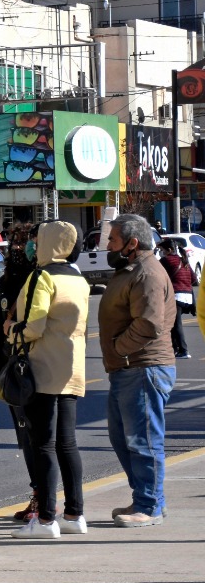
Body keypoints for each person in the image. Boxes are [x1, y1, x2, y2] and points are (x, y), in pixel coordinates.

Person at [9, 221, 89, 538]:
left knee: (43, 444)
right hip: (73, 367)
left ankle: (44, 520)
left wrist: (13, 330)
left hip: (43, 369)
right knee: (67, 443)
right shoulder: (79, 279)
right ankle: (74, 514)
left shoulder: (41, 277)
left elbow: (33, 325)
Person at [99, 213, 176, 528]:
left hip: (142, 368)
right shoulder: (130, 269)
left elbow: (148, 323)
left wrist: (118, 348)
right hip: (127, 370)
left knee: (143, 440)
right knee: (123, 438)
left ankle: (150, 505)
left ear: (132, 243)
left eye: (113, 240)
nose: (108, 245)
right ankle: (148, 498)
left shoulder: (146, 273)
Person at [0, 222, 38, 519]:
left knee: (45, 438)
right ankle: (38, 494)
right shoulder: (6, 283)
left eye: (26, 244)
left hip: (42, 366)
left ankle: (53, 501)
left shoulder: (43, 279)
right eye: (15, 244)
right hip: (13, 371)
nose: (19, 249)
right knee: (26, 437)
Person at [158, 239, 196, 359]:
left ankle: (184, 350)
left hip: (175, 296)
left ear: (169, 250)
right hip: (187, 297)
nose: (161, 252)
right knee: (172, 323)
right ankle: (174, 349)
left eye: (162, 250)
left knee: (175, 324)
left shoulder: (165, 260)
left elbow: (155, 274)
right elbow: (194, 279)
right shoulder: (183, 260)